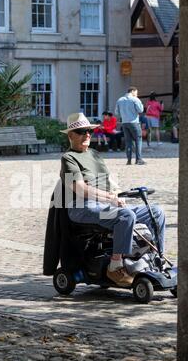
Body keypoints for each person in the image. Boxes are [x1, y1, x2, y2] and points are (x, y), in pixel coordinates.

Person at [60, 112, 165, 286]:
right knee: (125, 216)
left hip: (104, 205)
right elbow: (80, 189)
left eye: (89, 131)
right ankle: (115, 267)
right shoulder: (68, 158)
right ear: (71, 135)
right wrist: (109, 198)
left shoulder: (93, 154)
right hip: (84, 209)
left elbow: (108, 180)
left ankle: (154, 259)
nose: (87, 134)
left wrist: (118, 193)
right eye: (82, 131)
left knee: (156, 212)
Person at [115, 86, 145, 165]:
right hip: (134, 122)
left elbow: (117, 112)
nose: (136, 94)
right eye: (136, 93)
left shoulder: (120, 100)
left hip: (124, 123)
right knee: (138, 140)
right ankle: (138, 159)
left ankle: (129, 160)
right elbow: (141, 110)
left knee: (128, 142)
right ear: (133, 91)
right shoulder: (135, 99)